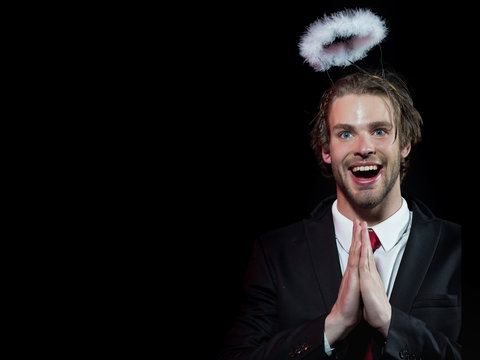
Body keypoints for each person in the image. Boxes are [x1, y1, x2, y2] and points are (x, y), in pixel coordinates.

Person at [218, 71, 461, 359]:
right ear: (325, 149)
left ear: (405, 143)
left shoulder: (456, 247)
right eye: (345, 134)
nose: (364, 148)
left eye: (380, 131)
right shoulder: (274, 254)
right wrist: (331, 327)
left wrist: (390, 323)